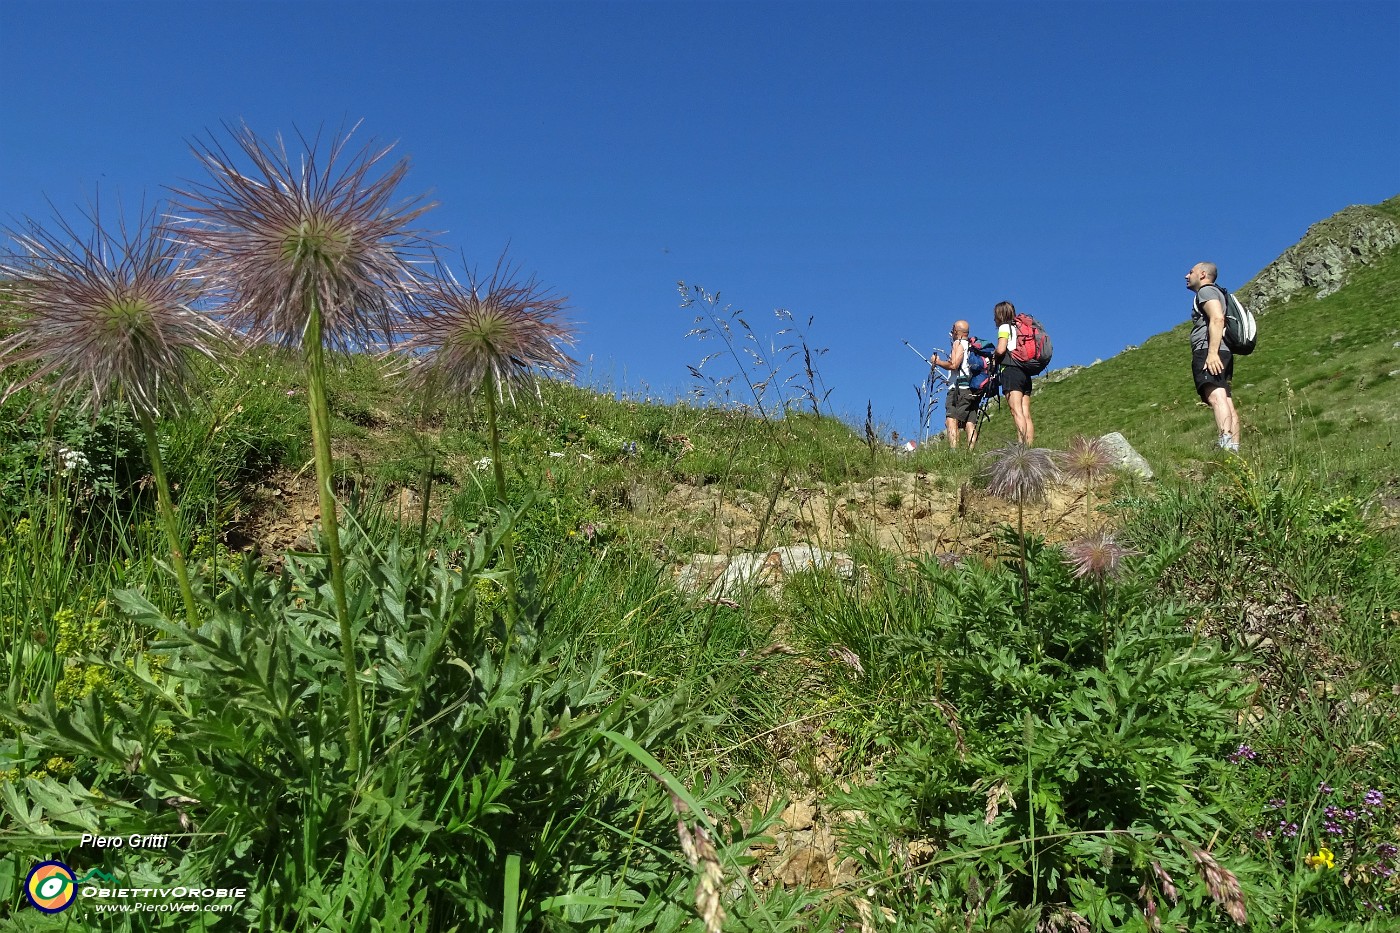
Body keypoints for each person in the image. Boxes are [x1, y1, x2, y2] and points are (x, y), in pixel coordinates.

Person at [1185, 262, 1241, 452]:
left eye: (1190, 272)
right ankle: (1234, 448)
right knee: (1226, 399)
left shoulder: (1206, 292)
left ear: (1202, 274)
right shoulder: (1219, 292)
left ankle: (1225, 442)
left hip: (1210, 349)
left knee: (1216, 397)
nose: (1186, 275)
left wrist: (1211, 353)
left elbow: (1217, 319)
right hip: (1224, 351)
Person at [930, 320, 979, 449]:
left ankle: (954, 452)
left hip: (959, 390)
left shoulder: (958, 343)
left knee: (951, 420)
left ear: (956, 331)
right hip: (973, 389)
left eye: (953, 329)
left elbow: (954, 365)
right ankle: (971, 453)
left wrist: (938, 362)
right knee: (970, 423)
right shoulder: (972, 346)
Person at [993, 301, 1034, 445]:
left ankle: (1022, 446)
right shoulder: (1020, 327)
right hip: (1025, 371)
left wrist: (994, 357)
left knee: (1016, 410)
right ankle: (1029, 446)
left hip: (1011, 371)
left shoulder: (1004, 327)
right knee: (1025, 413)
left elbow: (1001, 349)